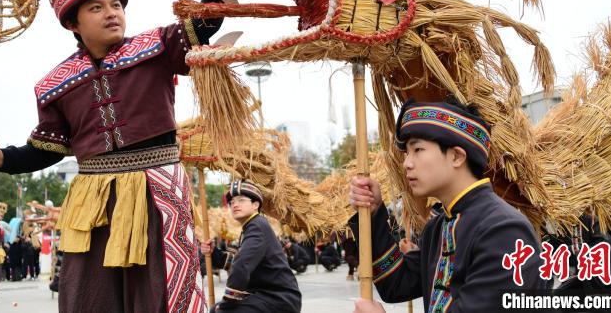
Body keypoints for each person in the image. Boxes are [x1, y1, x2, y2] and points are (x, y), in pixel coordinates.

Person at [0, 0, 224, 313]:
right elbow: (48, 148)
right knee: (89, 295)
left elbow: (205, 25)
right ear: (73, 23)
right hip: (92, 201)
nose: (111, 13)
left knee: (161, 291)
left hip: (158, 190)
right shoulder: (55, 85)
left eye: (116, 4)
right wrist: (2, 157)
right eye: (97, 8)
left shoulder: (158, 47)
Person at [349, 98, 548, 313]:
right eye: (407, 152)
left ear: (456, 156)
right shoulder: (437, 229)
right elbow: (397, 284)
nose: (407, 163)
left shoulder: (503, 230)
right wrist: (374, 213)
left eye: (418, 149)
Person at [200, 180, 302, 312]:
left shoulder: (257, 226)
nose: (235, 205)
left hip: (279, 298)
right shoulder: (251, 226)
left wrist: (227, 302)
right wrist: (214, 252)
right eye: (232, 202)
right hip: (269, 296)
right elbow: (235, 261)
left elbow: (241, 266)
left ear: (255, 204)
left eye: (241, 200)